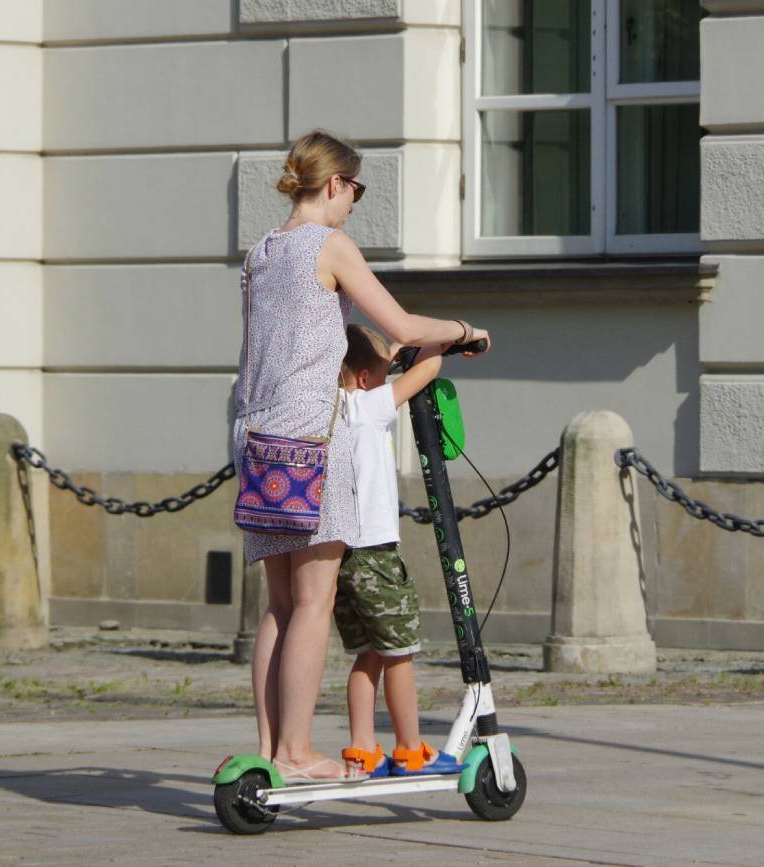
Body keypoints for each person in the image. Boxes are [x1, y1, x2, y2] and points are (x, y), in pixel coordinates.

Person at [234, 130, 489, 783]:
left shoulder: (262, 251)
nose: (354, 203)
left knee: (280, 604)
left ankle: (270, 749)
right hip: (313, 440)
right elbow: (400, 326)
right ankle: (296, 752)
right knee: (314, 602)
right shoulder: (330, 245)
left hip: (257, 435)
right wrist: (463, 330)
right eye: (356, 190)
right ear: (335, 183)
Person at [334, 326, 466, 778]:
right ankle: (410, 749)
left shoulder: (333, 409)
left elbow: (366, 370)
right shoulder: (369, 407)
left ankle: (361, 749)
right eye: (383, 373)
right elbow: (427, 371)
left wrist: (388, 354)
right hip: (377, 554)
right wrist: (443, 341)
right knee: (399, 653)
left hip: (341, 555)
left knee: (368, 654)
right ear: (367, 379)